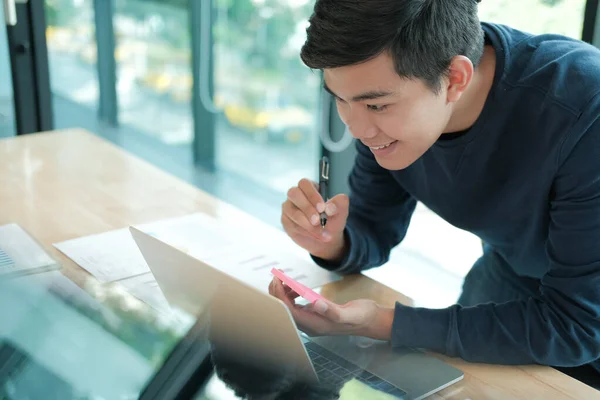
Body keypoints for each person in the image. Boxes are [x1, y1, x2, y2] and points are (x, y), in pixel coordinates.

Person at [269, 0, 600, 389]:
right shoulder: (393, 105)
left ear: (456, 78)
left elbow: (577, 326)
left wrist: (382, 321)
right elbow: (373, 229)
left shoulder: (583, 111)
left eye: (376, 104)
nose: (357, 128)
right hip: (513, 274)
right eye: (340, 99)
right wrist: (330, 241)